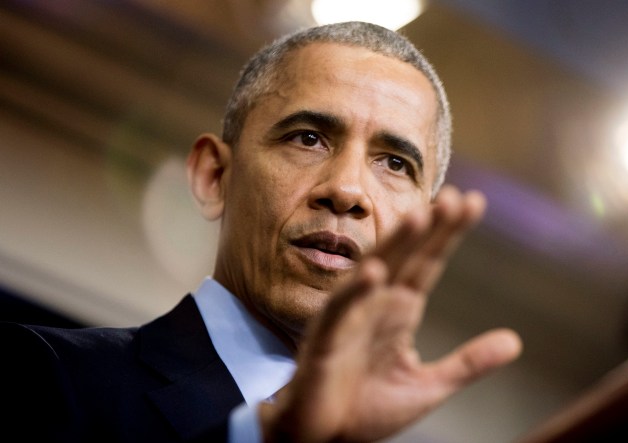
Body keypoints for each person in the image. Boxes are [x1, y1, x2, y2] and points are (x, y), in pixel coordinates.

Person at [1, 21, 522, 442]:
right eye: (309, 138)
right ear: (214, 177)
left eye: (393, 163)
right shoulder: (42, 378)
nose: (347, 191)